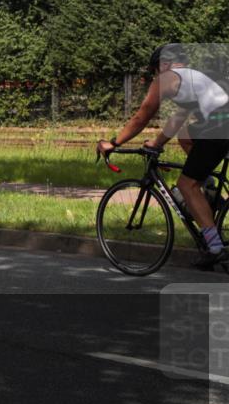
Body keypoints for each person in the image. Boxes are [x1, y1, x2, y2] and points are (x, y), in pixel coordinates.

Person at [97, 44, 229, 269]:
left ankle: (215, 248)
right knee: (185, 135)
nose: (155, 76)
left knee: (186, 185)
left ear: (163, 65)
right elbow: (178, 120)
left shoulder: (167, 79)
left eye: (155, 70)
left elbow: (142, 116)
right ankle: (208, 186)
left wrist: (114, 142)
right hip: (219, 123)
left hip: (220, 126)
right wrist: (157, 144)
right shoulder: (190, 79)